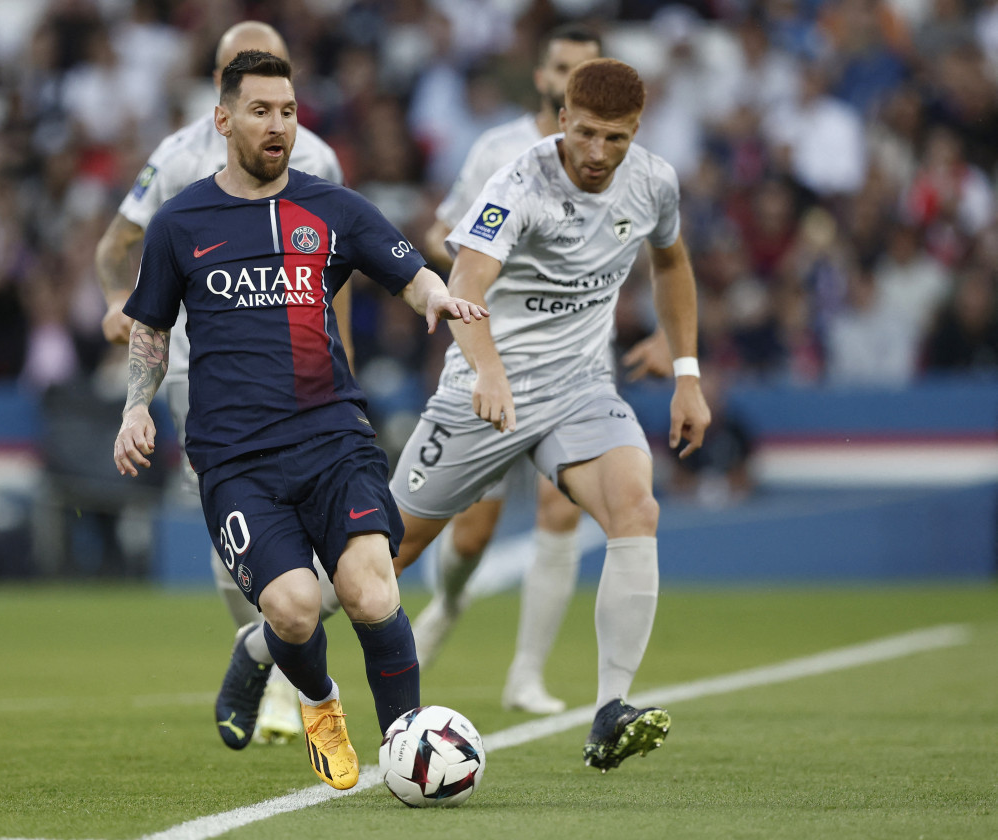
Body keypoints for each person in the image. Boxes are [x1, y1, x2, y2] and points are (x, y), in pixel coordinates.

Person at [112, 51, 487, 791]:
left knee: (373, 593)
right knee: (293, 608)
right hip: (234, 456)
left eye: (287, 111)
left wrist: (435, 298)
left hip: (332, 438)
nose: (277, 124)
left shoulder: (332, 208)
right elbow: (150, 330)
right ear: (224, 120)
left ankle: (404, 750)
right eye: (260, 111)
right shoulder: (179, 223)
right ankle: (318, 701)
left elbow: (410, 273)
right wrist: (134, 407)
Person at [388, 58, 711, 772]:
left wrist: (687, 372)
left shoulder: (654, 180)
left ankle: (609, 711)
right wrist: (491, 371)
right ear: (562, 118)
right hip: (487, 389)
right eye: (588, 133)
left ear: (637, 132)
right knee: (386, 553)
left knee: (637, 508)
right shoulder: (518, 182)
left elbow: (673, 263)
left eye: (617, 139)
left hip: (580, 389)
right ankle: (267, 643)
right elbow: (465, 281)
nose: (599, 154)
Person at [94, 21, 345, 746]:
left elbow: (342, 272)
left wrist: (343, 356)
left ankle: (265, 647)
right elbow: (118, 246)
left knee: (335, 537)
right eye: (242, 75)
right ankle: (281, 672)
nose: (267, 102)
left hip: (302, 369)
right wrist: (119, 301)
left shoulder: (317, 158)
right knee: (231, 521)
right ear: (219, 89)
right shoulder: (178, 156)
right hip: (200, 371)